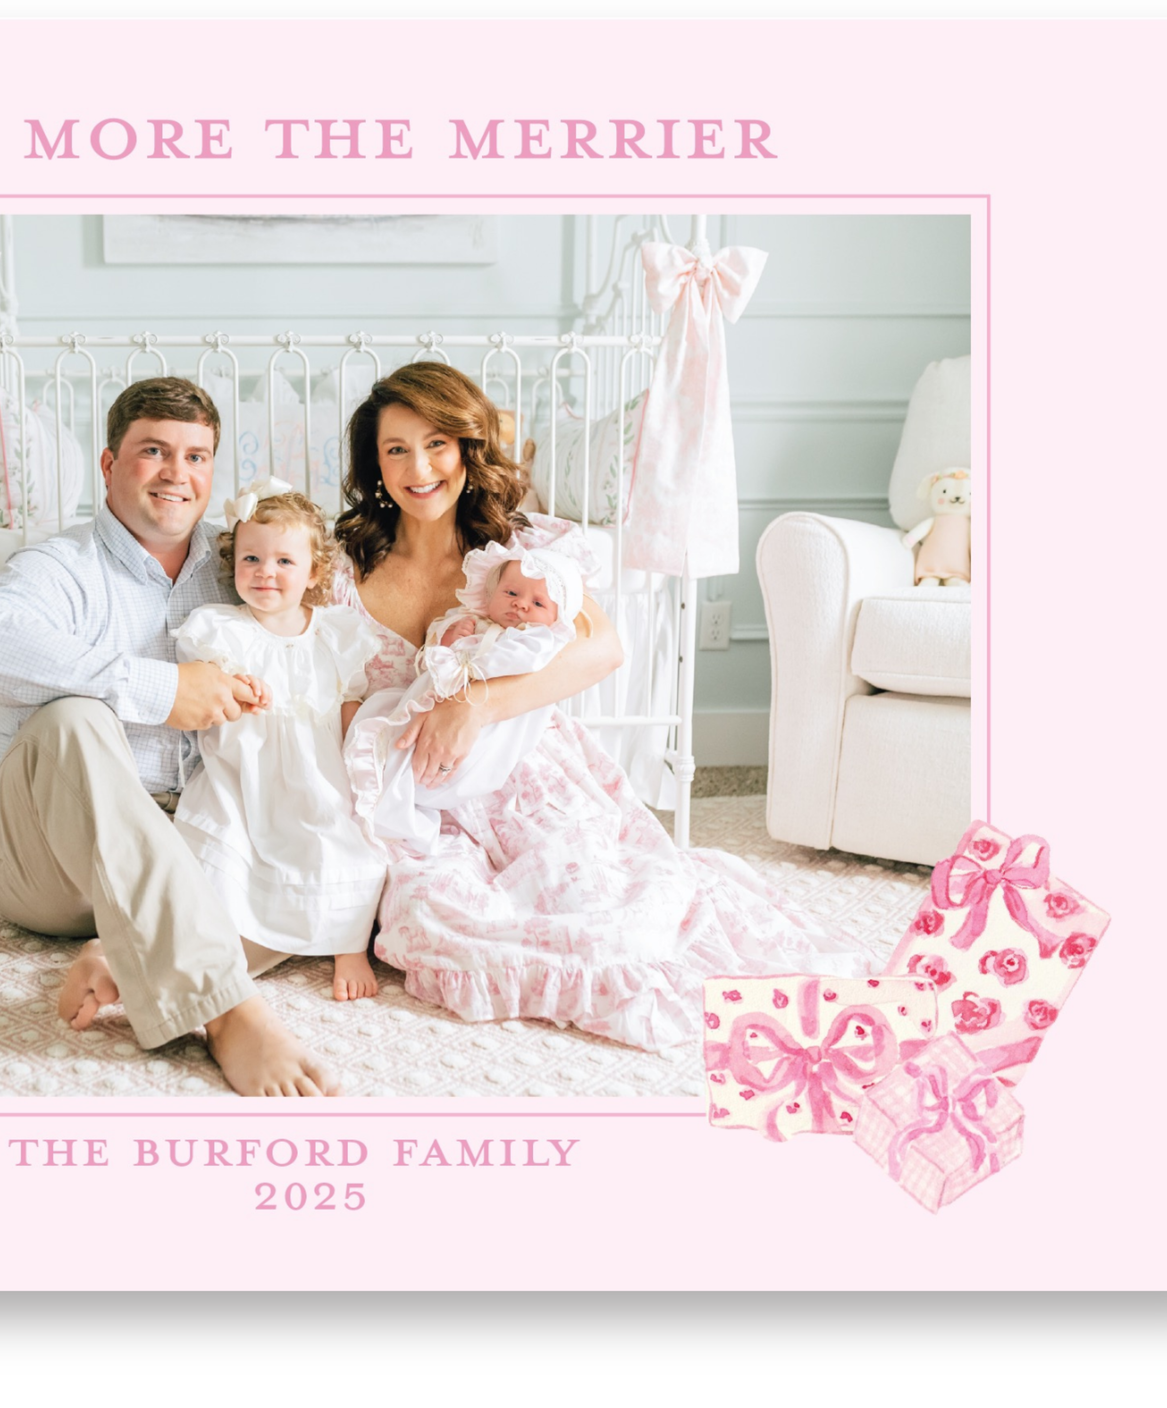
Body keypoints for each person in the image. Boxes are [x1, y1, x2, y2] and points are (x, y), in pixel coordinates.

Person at [328, 361, 873, 1053]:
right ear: (374, 464)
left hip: (525, 770)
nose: (420, 466)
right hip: (415, 797)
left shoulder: (522, 549)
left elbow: (603, 649)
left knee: (609, 912)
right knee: (441, 921)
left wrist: (474, 704)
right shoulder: (344, 566)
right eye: (396, 449)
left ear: (468, 447)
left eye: (437, 443)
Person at [0, 377, 338, 1096]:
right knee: (73, 717)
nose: (176, 474)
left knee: (311, 861)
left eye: (195, 457)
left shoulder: (247, 563)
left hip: (196, 846)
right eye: (153, 452)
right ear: (109, 464)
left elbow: (332, 633)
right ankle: (224, 1011)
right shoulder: (60, 567)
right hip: (47, 860)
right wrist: (161, 691)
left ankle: (128, 957)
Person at [172, 478, 387, 1002]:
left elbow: (351, 701)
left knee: (344, 842)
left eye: (284, 562)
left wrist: (363, 755)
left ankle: (348, 944)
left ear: (314, 572)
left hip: (317, 771)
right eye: (251, 559)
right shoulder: (221, 629)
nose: (265, 572)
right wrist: (238, 686)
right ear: (233, 564)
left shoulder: (335, 632)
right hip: (244, 775)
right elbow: (201, 689)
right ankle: (228, 939)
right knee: (219, 847)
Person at [345, 537, 592, 851]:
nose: (520, 604)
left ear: (557, 617)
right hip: (429, 708)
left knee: (428, 767)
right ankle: (392, 797)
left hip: (487, 730)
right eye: (511, 593)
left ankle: (405, 809)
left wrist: (468, 660)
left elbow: (512, 668)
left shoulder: (538, 641)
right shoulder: (474, 623)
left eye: (538, 603)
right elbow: (429, 663)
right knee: (384, 724)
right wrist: (449, 641)